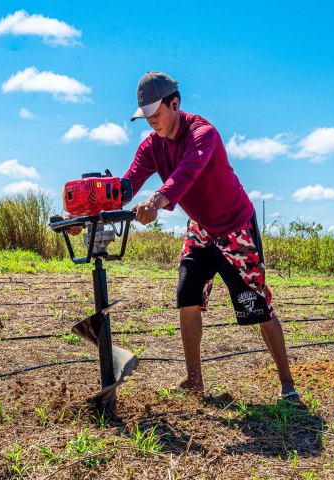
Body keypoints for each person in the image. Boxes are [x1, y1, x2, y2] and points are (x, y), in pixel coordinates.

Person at [125, 71, 300, 404]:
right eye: (144, 117)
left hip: (235, 226)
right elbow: (128, 183)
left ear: (174, 104)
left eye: (155, 114)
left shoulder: (203, 134)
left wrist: (158, 201)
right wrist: (91, 208)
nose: (151, 123)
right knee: (186, 296)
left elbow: (186, 174)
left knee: (258, 307)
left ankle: (287, 385)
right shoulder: (151, 146)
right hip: (201, 228)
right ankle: (194, 381)